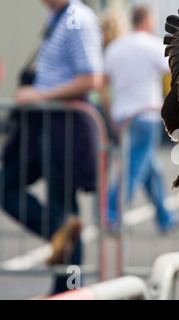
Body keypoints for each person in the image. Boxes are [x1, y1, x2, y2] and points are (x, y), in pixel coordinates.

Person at [1, 0, 103, 294]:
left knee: (64, 209)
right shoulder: (61, 17)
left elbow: (91, 77)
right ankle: (66, 279)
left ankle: (68, 288)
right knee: (61, 213)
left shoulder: (76, 19)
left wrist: (39, 94)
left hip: (63, 125)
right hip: (46, 123)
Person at [102, 6, 179, 232]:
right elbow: (174, 72)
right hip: (147, 114)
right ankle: (110, 214)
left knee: (150, 166)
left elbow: (103, 84)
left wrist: (110, 113)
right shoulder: (152, 45)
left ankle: (166, 218)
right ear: (146, 20)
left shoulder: (115, 47)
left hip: (123, 115)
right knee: (135, 167)